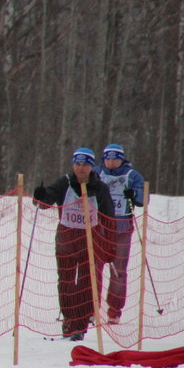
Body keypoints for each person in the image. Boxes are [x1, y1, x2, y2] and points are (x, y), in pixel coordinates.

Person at [33, 148, 115, 340]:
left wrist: (110, 245)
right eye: (77, 164)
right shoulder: (64, 182)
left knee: (87, 283)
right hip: (66, 239)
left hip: (91, 240)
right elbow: (44, 203)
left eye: (85, 164)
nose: (80, 168)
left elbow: (109, 218)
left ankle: (81, 323)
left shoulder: (100, 188)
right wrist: (39, 196)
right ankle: (69, 320)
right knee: (66, 281)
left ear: (91, 166)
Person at [93, 143, 146, 322]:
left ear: (121, 159)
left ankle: (115, 310)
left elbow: (143, 198)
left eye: (115, 159)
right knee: (94, 268)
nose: (111, 162)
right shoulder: (96, 173)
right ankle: (93, 308)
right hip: (99, 228)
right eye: (107, 158)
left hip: (122, 228)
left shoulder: (132, 175)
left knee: (119, 271)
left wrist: (134, 196)